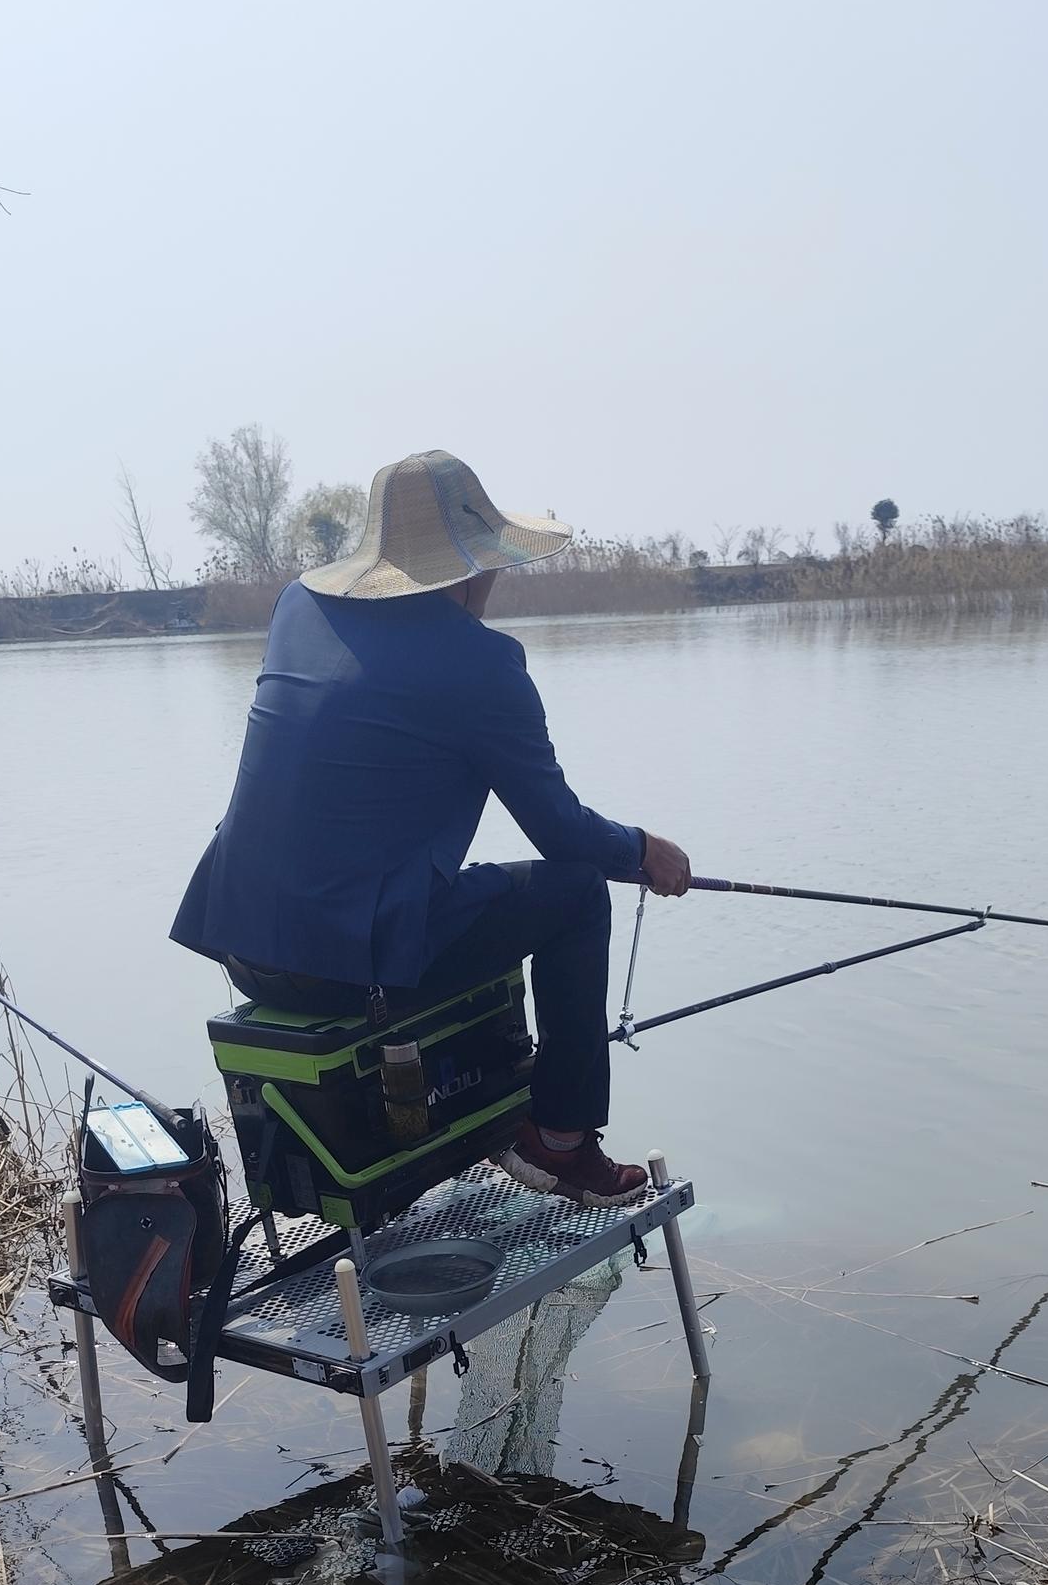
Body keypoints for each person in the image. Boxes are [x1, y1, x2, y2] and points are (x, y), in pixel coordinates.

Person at [171, 448, 690, 1207]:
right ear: (474, 568)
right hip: (346, 966)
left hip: (243, 945)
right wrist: (645, 851)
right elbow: (568, 840)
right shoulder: (484, 665)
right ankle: (560, 1139)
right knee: (576, 895)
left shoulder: (298, 608)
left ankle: (491, 1103)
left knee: (477, 894)